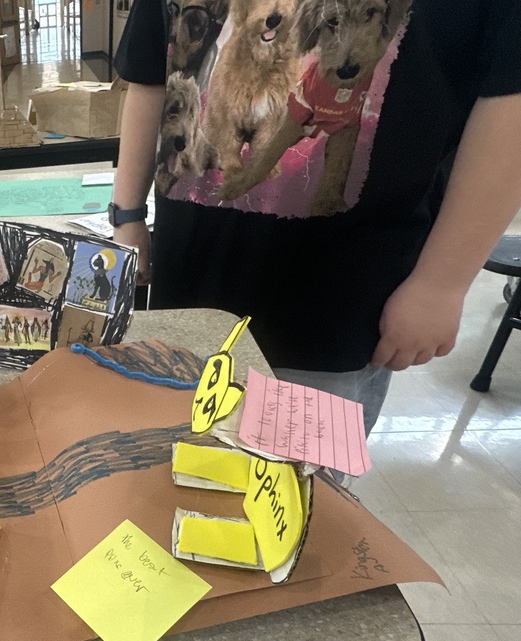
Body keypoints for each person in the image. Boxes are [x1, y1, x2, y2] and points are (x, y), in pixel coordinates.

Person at [112, 0, 521, 435]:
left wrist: (443, 283)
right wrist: (128, 215)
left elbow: (508, 98)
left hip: (336, 306)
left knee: (299, 481)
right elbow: (150, 76)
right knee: (171, 463)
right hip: (186, 290)